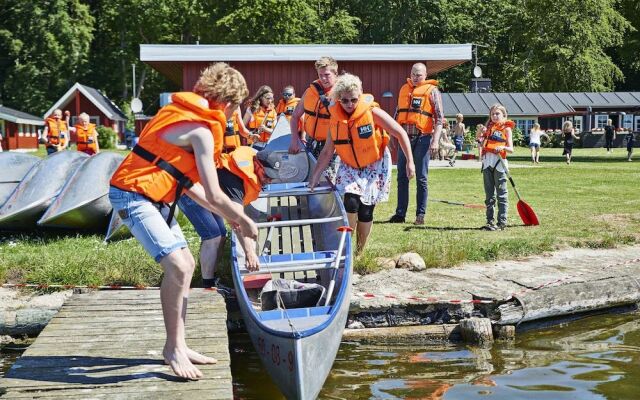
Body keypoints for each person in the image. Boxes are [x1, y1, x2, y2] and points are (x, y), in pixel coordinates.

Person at [109, 63, 258, 380]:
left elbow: (191, 186)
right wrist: (243, 219)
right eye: (235, 106)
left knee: (186, 264)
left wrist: (230, 219)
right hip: (132, 196)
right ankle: (173, 349)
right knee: (178, 266)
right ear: (225, 100)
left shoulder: (190, 121)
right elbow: (216, 196)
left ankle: (177, 344)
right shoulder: (201, 131)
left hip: (155, 198)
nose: (234, 114)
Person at [308, 73, 416, 253]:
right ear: (338, 99)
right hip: (350, 165)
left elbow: (400, 133)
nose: (350, 104)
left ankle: (360, 251)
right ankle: (347, 247)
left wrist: (410, 162)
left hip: (375, 164)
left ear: (360, 96)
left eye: (353, 100)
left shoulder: (372, 112)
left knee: (366, 211)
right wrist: (315, 176)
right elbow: (327, 151)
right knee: (350, 202)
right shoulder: (335, 120)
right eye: (344, 101)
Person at [177, 146, 268, 289]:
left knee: (221, 234)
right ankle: (208, 285)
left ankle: (212, 275)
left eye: (272, 178)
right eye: (267, 175)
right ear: (257, 165)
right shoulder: (236, 183)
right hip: (190, 193)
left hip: (209, 195)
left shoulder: (248, 172)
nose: (268, 180)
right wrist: (250, 253)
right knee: (212, 236)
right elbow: (238, 222)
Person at [388, 63, 443, 225]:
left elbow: (439, 118)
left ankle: (420, 215)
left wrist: (436, 140)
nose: (415, 77)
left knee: (421, 178)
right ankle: (400, 214)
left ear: (425, 75)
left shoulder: (432, 91)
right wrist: (392, 135)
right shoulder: (404, 89)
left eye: (419, 74)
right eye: (413, 74)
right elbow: (397, 113)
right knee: (402, 177)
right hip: (404, 137)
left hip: (423, 138)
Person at [288, 56, 338, 158]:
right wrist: (294, 140)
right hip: (310, 141)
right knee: (310, 173)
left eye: (327, 75)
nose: (323, 78)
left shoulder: (343, 95)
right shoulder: (309, 92)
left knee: (329, 174)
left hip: (332, 144)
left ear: (335, 74)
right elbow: (295, 117)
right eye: (320, 75)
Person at [481, 104, 514, 231]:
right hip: (487, 163)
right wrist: (481, 134)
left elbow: (511, 149)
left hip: (499, 164)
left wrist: (503, 147)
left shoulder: (506, 129)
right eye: (493, 114)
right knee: (489, 195)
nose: (495, 116)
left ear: (504, 115)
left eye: (497, 114)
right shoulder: (487, 129)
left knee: (501, 194)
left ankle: (502, 222)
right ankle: (490, 221)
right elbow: (481, 143)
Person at [243, 85, 277, 150]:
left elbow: (275, 131)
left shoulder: (273, 111)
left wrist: (265, 129)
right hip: (254, 145)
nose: (270, 101)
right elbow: (242, 127)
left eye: (271, 98)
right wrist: (251, 135)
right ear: (261, 97)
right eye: (267, 98)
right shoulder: (252, 109)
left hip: (268, 146)